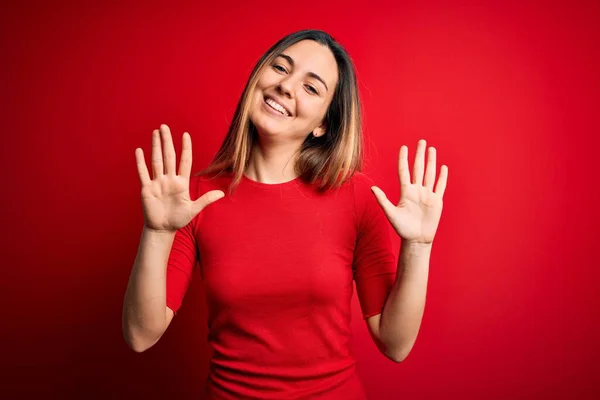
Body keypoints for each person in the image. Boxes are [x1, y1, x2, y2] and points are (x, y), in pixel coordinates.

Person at [122, 29, 448, 399]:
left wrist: (419, 246)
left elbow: (396, 343)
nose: (286, 86)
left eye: (312, 88)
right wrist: (156, 232)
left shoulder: (357, 198)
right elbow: (140, 335)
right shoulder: (195, 197)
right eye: (280, 68)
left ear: (323, 124)